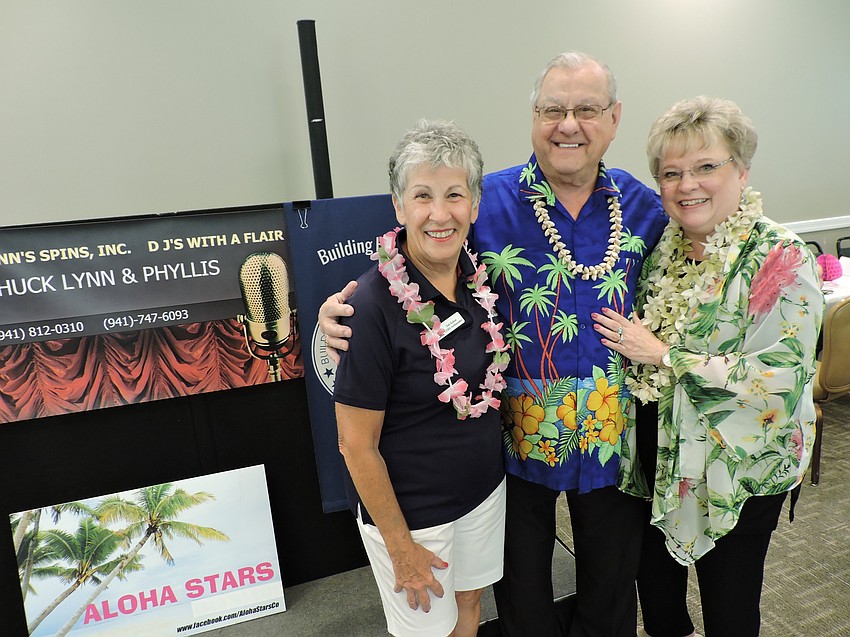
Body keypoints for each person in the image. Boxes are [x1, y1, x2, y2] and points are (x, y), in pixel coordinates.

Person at [322, 52, 669, 637]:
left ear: (614, 118)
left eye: (586, 110)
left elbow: (686, 275)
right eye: (552, 110)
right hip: (509, 442)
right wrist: (335, 311)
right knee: (520, 594)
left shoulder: (642, 208)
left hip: (611, 438)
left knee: (612, 588)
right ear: (533, 117)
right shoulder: (489, 202)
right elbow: (411, 253)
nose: (568, 124)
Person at [592, 96, 823, 637]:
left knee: (730, 610)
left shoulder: (779, 257)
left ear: (741, 171)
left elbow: (777, 382)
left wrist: (664, 355)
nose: (687, 185)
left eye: (705, 167)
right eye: (671, 173)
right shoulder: (660, 250)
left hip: (735, 473)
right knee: (659, 605)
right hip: (654, 462)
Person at [334, 119, 511, 637]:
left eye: (454, 195)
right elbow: (355, 445)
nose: (439, 213)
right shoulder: (371, 306)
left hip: (482, 492)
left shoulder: (480, 282)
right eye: (422, 196)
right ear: (398, 206)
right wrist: (400, 546)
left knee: (470, 607)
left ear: (474, 205)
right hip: (414, 517)